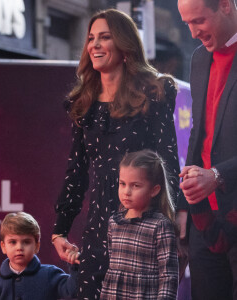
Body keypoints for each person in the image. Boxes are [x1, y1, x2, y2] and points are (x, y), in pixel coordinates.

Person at [52, 8, 180, 299]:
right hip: (97, 230)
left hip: (143, 229)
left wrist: (178, 218)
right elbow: (76, 172)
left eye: (105, 37)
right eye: (91, 38)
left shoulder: (153, 94)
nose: (95, 44)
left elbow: (168, 159)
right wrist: (59, 232)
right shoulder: (83, 104)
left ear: (124, 46)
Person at [177, 0, 237, 299]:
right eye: (187, 23)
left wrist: (218, 175)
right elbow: (198, 135)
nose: (192, 32)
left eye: (198, 20)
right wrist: (183, 208)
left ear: (225, 5)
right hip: (205, 219)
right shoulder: (200, 58)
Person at [100, 150, 178, 299]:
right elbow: (111, 269)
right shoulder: (114, 222)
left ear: (154, 190)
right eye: (122, 184)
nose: (126, 192)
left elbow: (169, 276)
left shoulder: (160, 225)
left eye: (135, 185)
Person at [0, 212, 79, 300]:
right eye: (13, 242)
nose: (19, 247)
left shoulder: (50, 274)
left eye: (26, 242)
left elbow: (73, 291)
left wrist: (75, 265)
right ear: (3, 247)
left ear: (37, 245)